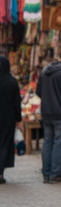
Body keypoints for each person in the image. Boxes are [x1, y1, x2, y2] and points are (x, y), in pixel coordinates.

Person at [36, 46, 61, 184]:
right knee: (59, 143)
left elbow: (38, 91)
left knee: (48, 142)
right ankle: (55, 174)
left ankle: (46, 174)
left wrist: (49, 98)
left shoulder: (46, 69)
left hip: (47, 113)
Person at [0, 56, 22, 184]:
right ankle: (0, 173)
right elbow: (16, 102)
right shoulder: (11, 81)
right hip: (7, 117)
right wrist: (18, 118)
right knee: (4, 144)